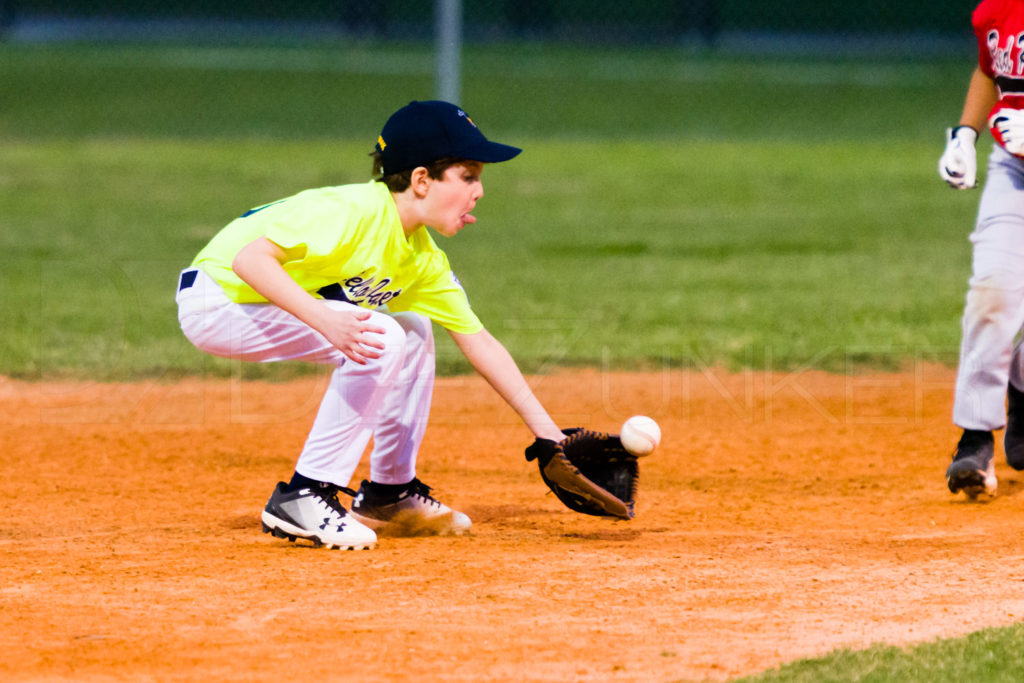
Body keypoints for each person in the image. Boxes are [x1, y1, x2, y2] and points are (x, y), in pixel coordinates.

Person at [176, 100, 568, 548]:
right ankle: (305, 494)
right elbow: (249, 260)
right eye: (468, 176)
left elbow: (478, 341)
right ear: (421, 180)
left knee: (414, 327)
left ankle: (390, 491)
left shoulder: (421, 257)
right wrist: (325, 320)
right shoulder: (353, 210)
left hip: (257, 303)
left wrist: (550, 437)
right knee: (382, 336)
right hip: (219, 301)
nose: (479, 191)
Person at [939, 0, 1024, 498]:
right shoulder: (998, 8)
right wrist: (966, 137)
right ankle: (974, 440)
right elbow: (989, 70)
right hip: (1014, 171)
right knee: (991, 294)